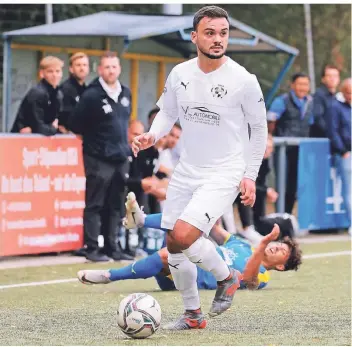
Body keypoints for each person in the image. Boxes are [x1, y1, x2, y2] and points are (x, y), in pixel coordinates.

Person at [131, 6, 267, 330]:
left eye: (223, 33)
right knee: (173, 245)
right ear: (194, 37)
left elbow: (259, 131)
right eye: (210, 32)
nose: (218, 39)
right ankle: (193, 314)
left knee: (184, 234)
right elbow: (167, 113)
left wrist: (250, 176)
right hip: (188, 169)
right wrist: (153, 134)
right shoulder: (180, 74)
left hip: (224, 172)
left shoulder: (244, 80)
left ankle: (226, 276)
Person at [78, 193, 302, 292]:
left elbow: (249, 279)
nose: (277, 246)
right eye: (280, 244)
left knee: (169, 254)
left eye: (281, 250)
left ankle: (109, 276)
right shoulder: (243, 245)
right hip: (195, 255)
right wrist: (207, 208)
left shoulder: (263, 274)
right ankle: (141, 219)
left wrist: (263, 244)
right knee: (188, 223)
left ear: (281, 265)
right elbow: (215, 229)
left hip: (198, 277)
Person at [68, 51, 133, 262]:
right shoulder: (91, 95)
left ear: (119, 69)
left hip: (120, 157)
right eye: (107, 67)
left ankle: (112, 246)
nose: (111, 71)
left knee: (116, 204)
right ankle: (92, 247)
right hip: (98, 156)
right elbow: (75, 124)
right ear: (99, 70)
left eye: (114, 67)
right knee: (95, 203)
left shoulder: (126, 93)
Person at [267, 72, 313, 214]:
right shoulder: (282, 100)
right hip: (283, 151)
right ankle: (280, 218)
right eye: (300, 84)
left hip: (301, 151)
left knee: (294, 186)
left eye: (306, 84)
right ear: (292, 85)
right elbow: (271, 121)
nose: (303, 88)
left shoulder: (310, 102)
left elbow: (310, 124)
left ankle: (287, 217)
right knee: (282, 185)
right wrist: (270, 136)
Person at [11, 56, 64, 135]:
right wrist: (53, 129)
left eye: (58, 71)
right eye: (50, 71)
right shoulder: (37, 93)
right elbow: (38, 126)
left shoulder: (58, 94)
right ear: (42, 73)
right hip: (21, 140)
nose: (55, 75)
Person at [326, 78, 351, 232]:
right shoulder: (335, 107)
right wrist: (343, 151)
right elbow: (333, 131)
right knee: (349, 190)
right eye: (349, 92)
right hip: (346, 155)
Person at [59, 52, 90, 133]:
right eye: (78, 65)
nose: (82, 68)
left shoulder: (87, 90)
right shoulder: (65, 89)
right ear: (71, 69)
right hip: (66, 137)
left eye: (84, 65)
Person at [310, 64, 340, 138]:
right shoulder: (319, 95)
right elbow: (318, 118)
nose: (332, 79)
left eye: (335, 76)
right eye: (329, 76)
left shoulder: (337, 97)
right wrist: (332, 134)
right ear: (323, 79)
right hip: (322, 139)